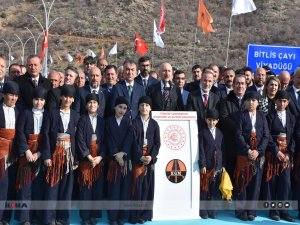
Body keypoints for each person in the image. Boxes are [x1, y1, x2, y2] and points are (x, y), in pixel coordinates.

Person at [41, 85, 80, 225]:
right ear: (61, 97)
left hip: (69, 156)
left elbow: (78, 138)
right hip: (54, 154)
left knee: (66, 190)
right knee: (52, 188)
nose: (67, 99)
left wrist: (76, 159)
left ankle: (63, 219)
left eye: (70, 97)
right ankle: (49, 220)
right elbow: (45, 135)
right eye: (65, 96)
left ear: (73, 99)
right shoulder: (52, 112)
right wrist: (46, 156)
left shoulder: (76, 115)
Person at [14, 87, 48, 225]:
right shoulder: (25, 113)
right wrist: (26, 151)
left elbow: (49, 136)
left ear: (45, 101)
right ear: (32, 100)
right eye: (36, 99)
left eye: (41, 100)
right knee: (25, 186)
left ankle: (37, 216)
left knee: (39, 187)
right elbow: (20, 133)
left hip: (40, 153)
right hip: (26, 154)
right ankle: (24, 218)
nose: (38, 103)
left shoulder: (48, 114)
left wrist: (40, 153)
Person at [234, 92, 269, 221]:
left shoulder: (262, 116)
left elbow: (266, 135)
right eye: (248, 100)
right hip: (244, 154)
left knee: (255, 183)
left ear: (258, 102)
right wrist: (248, 149)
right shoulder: (241, 116)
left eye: (254, 100)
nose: (251, 102)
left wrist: (258, 151)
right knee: (242, 182)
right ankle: (241, 211)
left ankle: (251, 211)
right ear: (245, 102)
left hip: (258, 155)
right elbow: (238, 134)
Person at [262, 90, 295, 222]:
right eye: (280, 100)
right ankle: (272, 210)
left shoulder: (292, 117)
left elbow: (293, 137)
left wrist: (288, 153)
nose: (282, 103)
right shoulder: (269, 116)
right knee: (272, 183)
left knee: (285, 183)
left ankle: (284, 211)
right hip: (273, 154)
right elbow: (267, 135)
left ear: (288, 103)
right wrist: (276, 151)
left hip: (286, 155)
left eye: (284, 101)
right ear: (275, 101)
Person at [129, 96, 160, 224]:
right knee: (136, 188)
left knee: (148, 188)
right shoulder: (134, 122)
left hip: (149, 160)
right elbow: (133, 142)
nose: (144, 107)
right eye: (142, 105)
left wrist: (151, 156)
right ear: (138, 107)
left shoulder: (154, 124)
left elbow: (157, 143)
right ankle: (134, 216)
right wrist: (139, 156)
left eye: (147, 105)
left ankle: (145, 215)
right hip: (137, 159)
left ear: (150, 108)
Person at [76, 93, 105, 225]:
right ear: (86, 104)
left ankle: (95, 215)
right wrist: (88, 156)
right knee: (85, 188)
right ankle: (85, 217)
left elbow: (105, 140)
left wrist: (100, 157)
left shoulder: (102, 121)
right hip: (86, 159)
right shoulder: (82, 119)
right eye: (90, 102)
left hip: (98, 159)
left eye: (95, 102)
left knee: (97, 189)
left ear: (98, 105)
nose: (92, 105)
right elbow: (80, 139)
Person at [106, 96, 134, 225]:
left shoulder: (129, 122)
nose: (122, 110)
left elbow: (129, 139)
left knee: (124, 189)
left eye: (124, 108)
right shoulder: (108, 121)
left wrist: (123, 153)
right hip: (113, 160)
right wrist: (116, 154)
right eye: (120, 107)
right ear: (114, 107)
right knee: (114, 190)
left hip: (125, 160)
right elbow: (108, 138)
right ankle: (112, 218)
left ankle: (122, 217)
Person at [0, 82, 21, 225]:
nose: (13, 98)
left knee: (12, 186)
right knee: (2, 184)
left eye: (15, 95)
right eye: (10, 94)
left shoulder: (19, 111)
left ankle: (6, 217)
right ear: (3, 95)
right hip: (0, 152)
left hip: (14, 153)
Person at [219, 75, 247, 180]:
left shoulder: (250, 101)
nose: (240, 86)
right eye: (238, 83)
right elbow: (224, 119)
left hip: (245, 144)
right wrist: (240, 128)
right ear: (233, 85)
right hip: (230, 143)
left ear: (246, 85)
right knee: (230, 174)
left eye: (242, 83)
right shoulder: (226, 101)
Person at [199, 109, 224, 219]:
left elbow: (223, 150)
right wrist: (202, 164)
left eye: (214, 120)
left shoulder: (220, 133)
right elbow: (201, 150)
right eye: (209, 120)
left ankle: (212, 209)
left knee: (214, 189)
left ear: (217, 121)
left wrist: (223, 165)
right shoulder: (202, 132)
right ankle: (203, 210)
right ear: (206, 120)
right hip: (207, 166)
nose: (211, 122)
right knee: (204, 188)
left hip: (217, 166)